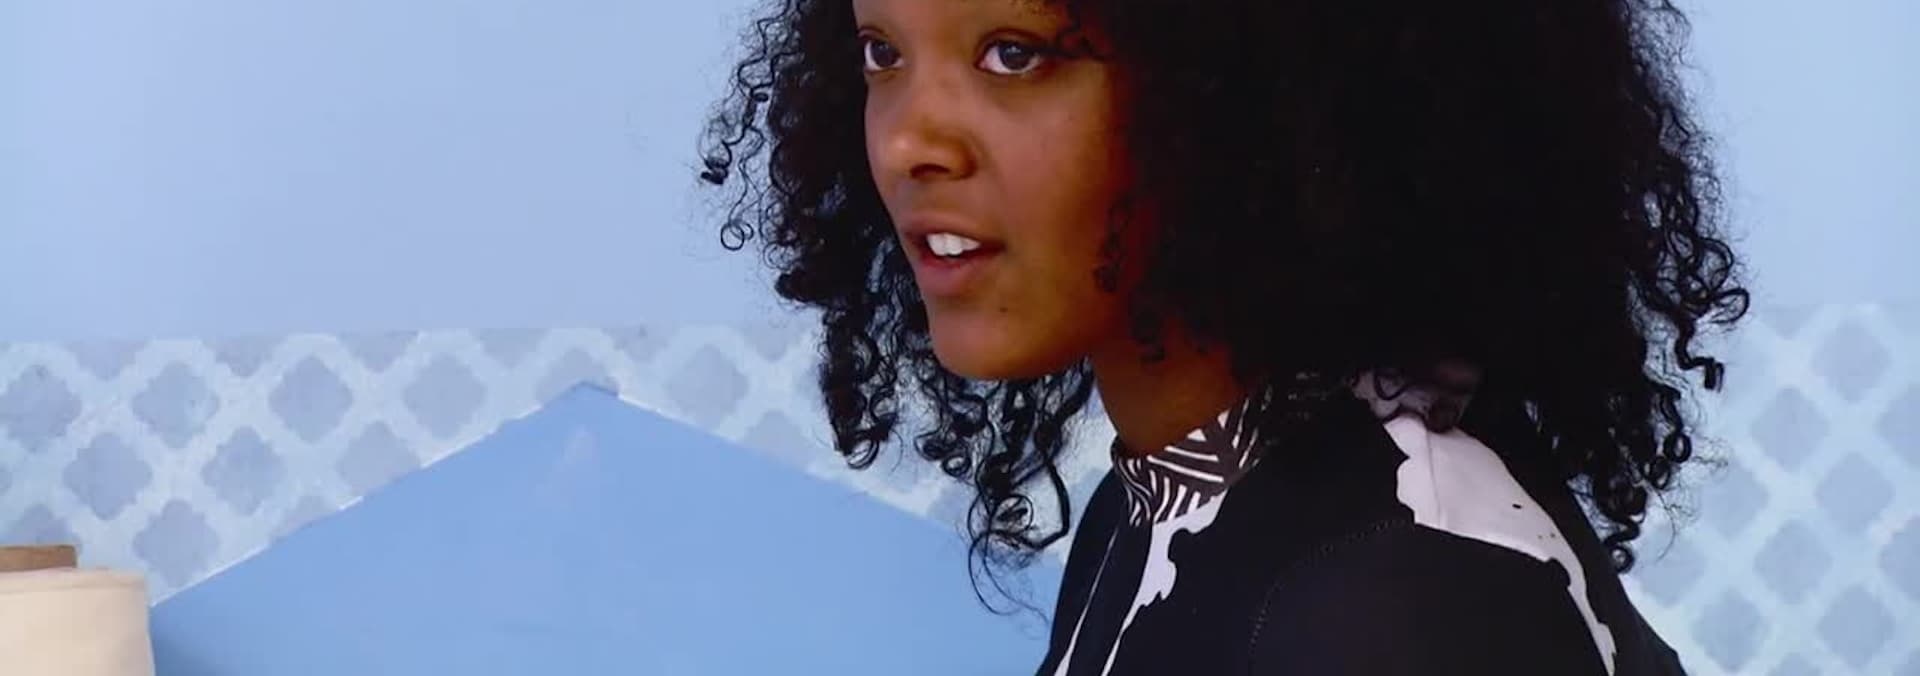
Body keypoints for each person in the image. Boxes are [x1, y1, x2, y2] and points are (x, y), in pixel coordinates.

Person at [697, 0, 1749, 673]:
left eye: (1015, 54)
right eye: (881, 52)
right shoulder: (1171, 498)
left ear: (1254, 86)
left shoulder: (1394, 598)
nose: (908, 142)